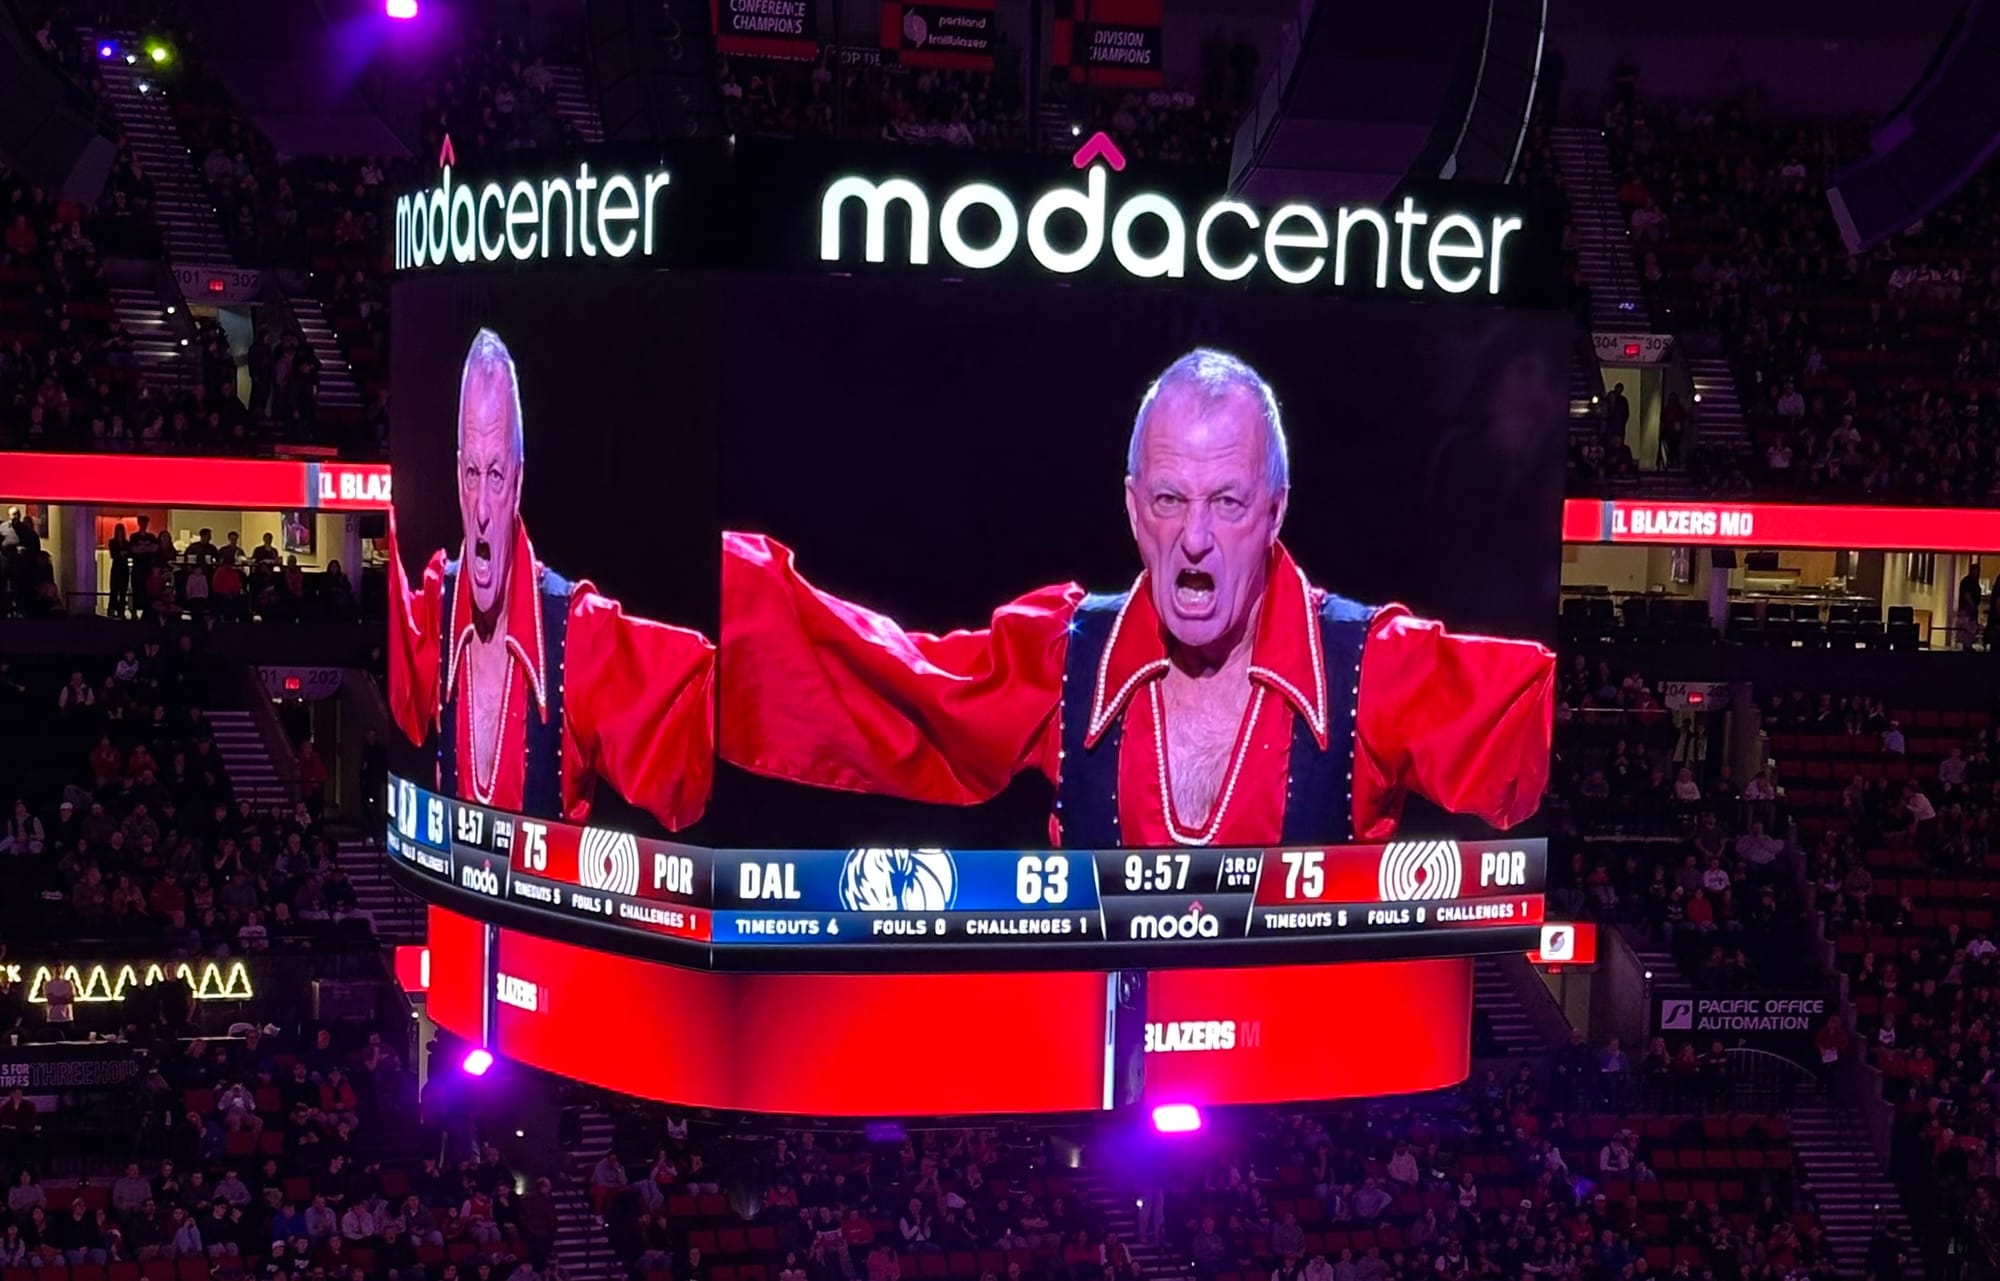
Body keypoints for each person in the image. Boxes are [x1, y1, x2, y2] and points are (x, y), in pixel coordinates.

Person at [722, 349, 1552, 847]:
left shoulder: (1374, 667)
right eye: (1168, 500)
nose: (1195, 537)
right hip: (1105, 1105)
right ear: (1132, 506)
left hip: (1311, 1105)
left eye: (1226, 502)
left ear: (1274, 510)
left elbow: (1532, 717)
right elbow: (881, 679)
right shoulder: (1061, 655)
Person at [388, 329, 714, 826]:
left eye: (495, 475)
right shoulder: (437, 606)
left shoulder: (576, 632)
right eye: (471, 473)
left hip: (543, 903)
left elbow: (705, 703)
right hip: (445, 905)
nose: (479, 509)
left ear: (518, 480)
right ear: (456, 476)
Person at [107, 522, 131, 617]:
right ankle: (112, 609)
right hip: (116, 567)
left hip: (124, 568)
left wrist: (122, 554)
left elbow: (129, 554)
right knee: (114, 589)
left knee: (123, 590)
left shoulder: (126, 542)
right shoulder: (112, 542)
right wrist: (122, 553)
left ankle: (121, 610)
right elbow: (113, 554)